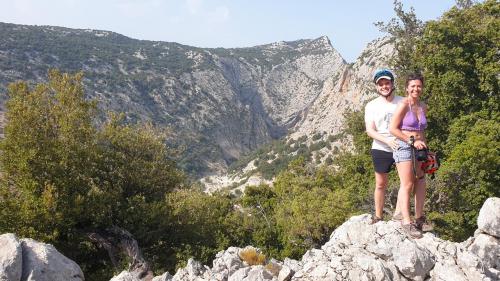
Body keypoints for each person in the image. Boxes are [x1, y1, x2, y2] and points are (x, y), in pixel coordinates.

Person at [389, 73, 431, 239]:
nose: (416, 89)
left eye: (418, 86)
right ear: (406, 88)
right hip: (404, 146)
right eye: (412, 86)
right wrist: (411, 142)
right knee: (407, 184)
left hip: (420, 148)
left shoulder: (423, 106)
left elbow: (421, 130)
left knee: (420, 182)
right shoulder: (403, 105)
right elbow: (393, 128)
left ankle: (419, 218)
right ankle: (406, 222)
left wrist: (427, 149)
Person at [364, 69, 403, 224]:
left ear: (392, 83)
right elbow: (370, 130)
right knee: (380, 184)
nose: (384, 86)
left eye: (387, 83)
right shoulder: (371, 105)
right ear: (376, 87)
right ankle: (378, 216)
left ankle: (399, 215)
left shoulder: (403, 102)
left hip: (402, 146)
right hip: (381, 148)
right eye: (381, 84)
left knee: (406, 182)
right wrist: (387, 141)